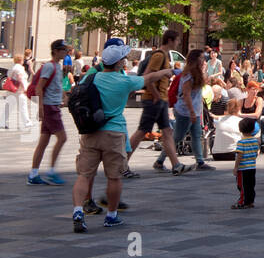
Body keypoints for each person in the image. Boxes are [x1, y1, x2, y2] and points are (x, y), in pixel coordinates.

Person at [70, 43, 173, 233]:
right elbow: (148, 77)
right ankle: (111, 216)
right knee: (114, 177)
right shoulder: (124, 81)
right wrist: (166, 71)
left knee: (84, 175)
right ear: (119, 63)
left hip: (90, 131)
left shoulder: (91, 77)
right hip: (114, 133)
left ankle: (78, 210)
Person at [128, 30, 186, 175]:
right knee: (142, 132)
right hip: (154, 99)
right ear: (171, 40)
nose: (178, 43)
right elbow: (147, 76)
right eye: (177, 40)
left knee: (167, 132)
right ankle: (121, 163)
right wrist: (155, 95)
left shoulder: (164, 56)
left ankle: (176, 165)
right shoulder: (159, 55)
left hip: (160, 99)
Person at [153, 49, 213, 172]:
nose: (204, 60)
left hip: (193, 111)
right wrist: (191, 112)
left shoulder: (196, 73)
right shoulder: (188, 75)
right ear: (195, 60)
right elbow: (186, 95)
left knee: (196, 135)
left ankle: (200, 161)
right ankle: (159, 161)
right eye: (202, 58)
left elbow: (204, 83)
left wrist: (204, 70)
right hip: (185, 112)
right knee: (177, 137)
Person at [26, 39, 70, 186]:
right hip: (50, 108)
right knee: (62, 138)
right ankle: (51, 172)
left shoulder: (57, 66)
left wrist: (64, 95)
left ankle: (33, 174)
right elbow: (39, 87)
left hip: (52, 105)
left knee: (43, 142)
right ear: (56, 51)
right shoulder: (50, 67)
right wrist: (40, 109)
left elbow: (55, 86)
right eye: (63, 50)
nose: (66, 52)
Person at [232, 117, 261, 209]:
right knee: (251, 185)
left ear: (240, 129)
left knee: (242, 186)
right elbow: (256, 152)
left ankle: (242, 201)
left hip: (243, 168)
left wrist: (236, 167)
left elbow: (239, 155)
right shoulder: (255, 141)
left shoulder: (241, 142)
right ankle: (250, 201)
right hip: (252, 167)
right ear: (253, 129)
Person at [0, 54, 31, 130]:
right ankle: (27, 122)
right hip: (19, 90)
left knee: (8, 107)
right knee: (23, 106)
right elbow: (21, 79)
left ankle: (2, 123)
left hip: (11, 90)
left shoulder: (12, 67)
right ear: (21, 60)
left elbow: (9, 76)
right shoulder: (20, 68)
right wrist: (26, 88)